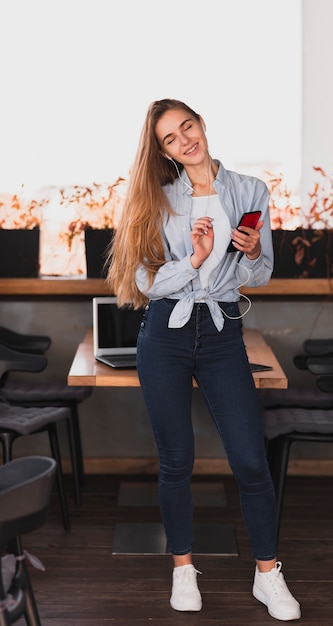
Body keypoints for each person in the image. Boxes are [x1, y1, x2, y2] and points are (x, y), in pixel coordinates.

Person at [107, 98, 301, 622]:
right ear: (164, 151)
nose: (184, 140)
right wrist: (191, 260)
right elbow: (146, 282)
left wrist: (254, 247)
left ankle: (268, 575)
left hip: (221, 334)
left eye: (186, 127)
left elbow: (257, 276)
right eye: (170, 138)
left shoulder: (249, 190)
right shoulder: (158, 199)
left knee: (249, 460)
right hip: (165, 335)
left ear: (202, 125)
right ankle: (183, 569)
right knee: (176, 460)